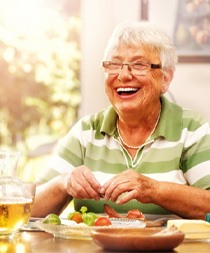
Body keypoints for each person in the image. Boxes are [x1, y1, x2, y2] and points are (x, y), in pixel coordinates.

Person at [31, 21, 210, 220]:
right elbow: (29, 209)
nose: (123, 75)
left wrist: (154, 190)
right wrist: (63, 183)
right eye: (114, 64)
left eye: (139, 65)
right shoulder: (86, 132)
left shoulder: (192, 129)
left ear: (165, 79)